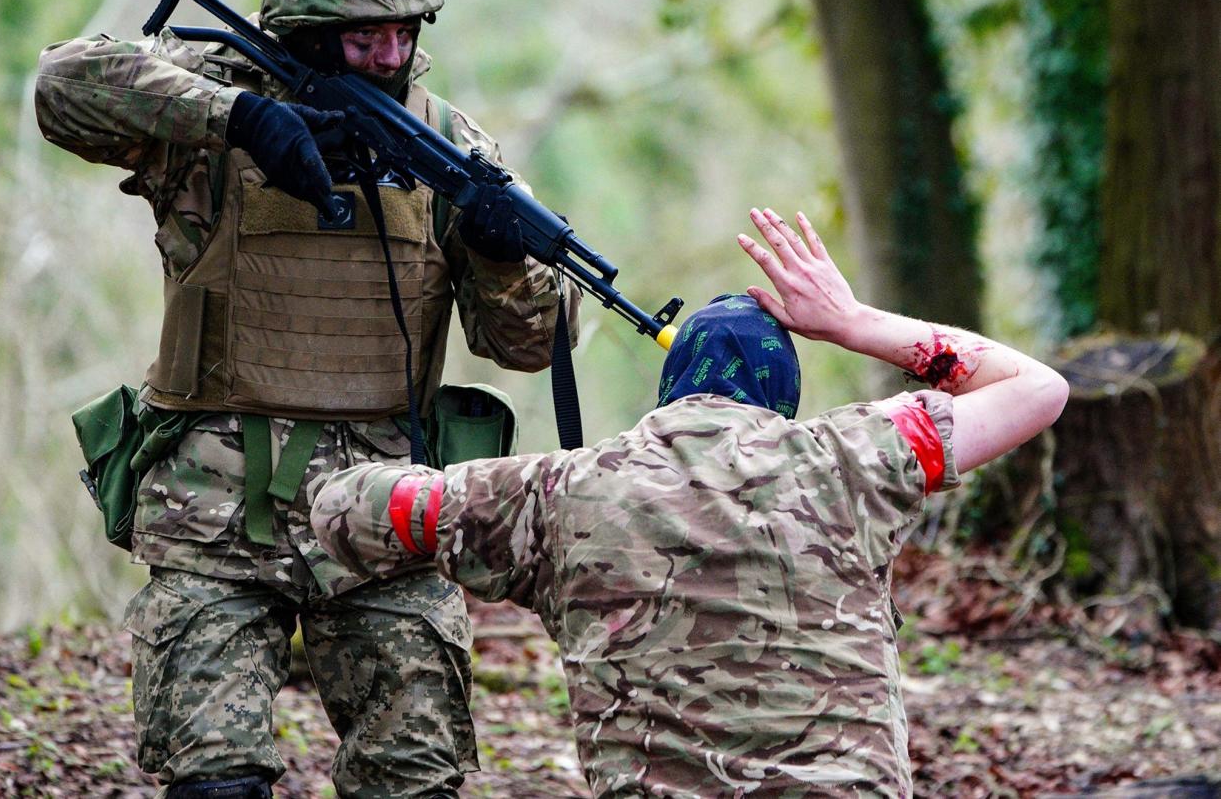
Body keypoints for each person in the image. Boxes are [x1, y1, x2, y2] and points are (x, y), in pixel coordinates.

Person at [36, 0, 578, 799]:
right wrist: (239, 119)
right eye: (365, 37)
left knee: (415, 780)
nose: (390, 55)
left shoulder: (448, 146)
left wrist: (496, 249)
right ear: (303, 27)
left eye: (405, 34)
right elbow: (62, 84)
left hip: (384, 519)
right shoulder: (209, 103)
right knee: (216, 782)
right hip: (213, 515)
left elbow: (525, 345)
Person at [311, 207, 1070, 797]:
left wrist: (424, 490)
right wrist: (855, 324)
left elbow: (343, 512)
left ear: (674, 389)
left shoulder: (558, 492)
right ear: (782, 400)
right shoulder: (852, 458)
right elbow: (1039, 389)